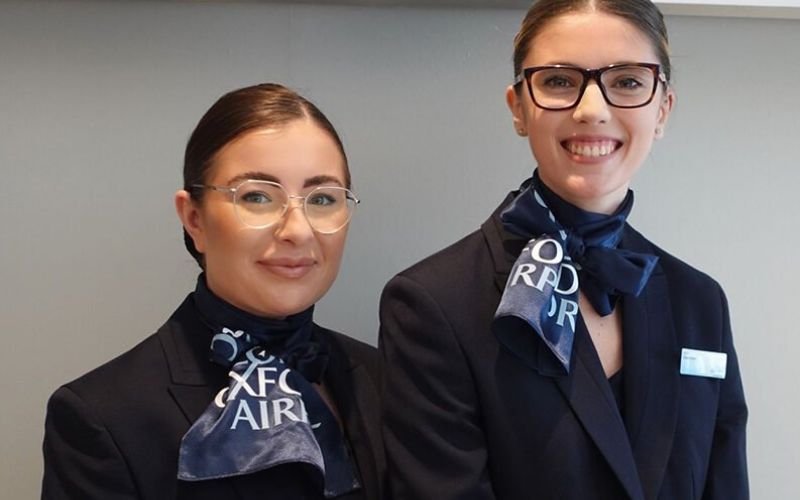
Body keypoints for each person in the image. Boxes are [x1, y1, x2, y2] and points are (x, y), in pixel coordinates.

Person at [379, 1, 748, 499]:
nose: (592, 109)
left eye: (628, 82)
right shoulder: (432, 305)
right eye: (558, 81)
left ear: (662, 110)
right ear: (518, 108)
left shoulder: (700, 302)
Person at [42, 83, 384, 499]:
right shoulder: (104, 416)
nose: (297, 229)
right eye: (257, 196)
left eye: (323, 198)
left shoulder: (386, 380)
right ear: (194, 219)